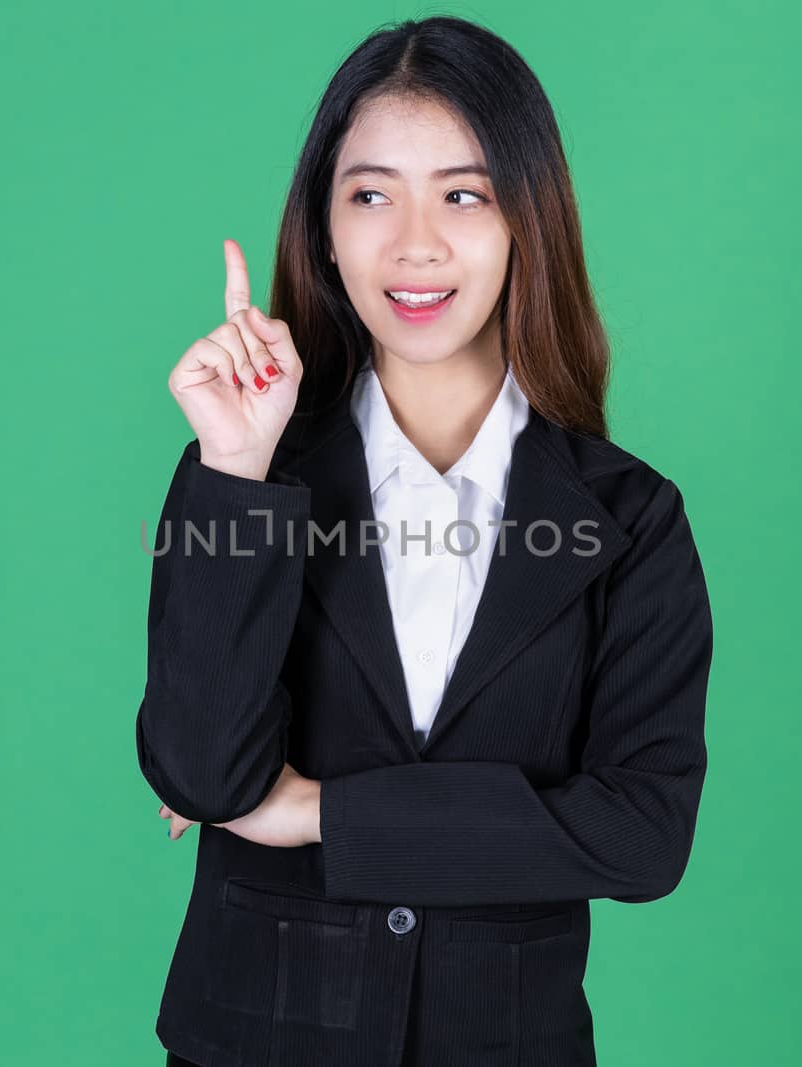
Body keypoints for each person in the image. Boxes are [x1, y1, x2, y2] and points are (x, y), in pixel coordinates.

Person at [137, 15, 713, 1067]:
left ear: (525, 222)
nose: (414, 242)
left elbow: (641, 834)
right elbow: (201, 774)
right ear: (321, 228)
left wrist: (322, 810)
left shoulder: (629, 519)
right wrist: (237, 470)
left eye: (463, 192)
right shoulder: (245, 474)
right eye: (370, 194)